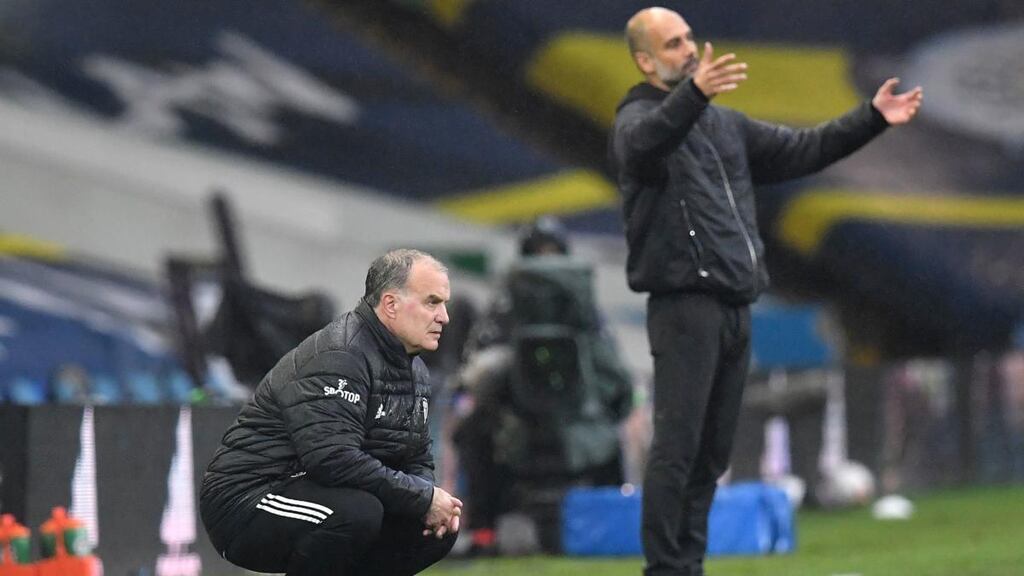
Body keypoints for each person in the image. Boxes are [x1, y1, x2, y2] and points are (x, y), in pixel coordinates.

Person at [609, 7, 923, 576]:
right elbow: (644, 146)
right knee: (677, 448)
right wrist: (694, 95)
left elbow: (803, 148)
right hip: (684, 306)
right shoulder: (637, 117)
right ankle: (664, 569)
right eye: (672, 43)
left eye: (687, 38)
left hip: (734, 304)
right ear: (645, 60)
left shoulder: (723, 125)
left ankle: (689, 563)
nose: (687, 48)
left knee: (710, 453)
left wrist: (871, 118)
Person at [199, 249, 463, 576]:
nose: (444, 317)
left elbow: (416, 458)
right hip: (247, 501)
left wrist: (426, 501)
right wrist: (421, 497)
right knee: (357, 513)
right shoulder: (340, 355)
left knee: (433, 528)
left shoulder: (415, 371)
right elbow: (332, 458)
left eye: (444, 304)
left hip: (321, 492)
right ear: (391, 305)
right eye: (432, 302)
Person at [451, 216, 633, 554]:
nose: (546, 263)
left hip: (577, 424)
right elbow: (478, 373)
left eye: (552, 253)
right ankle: (484, 533)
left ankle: (614, 524)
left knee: (614, 438)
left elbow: (614, 379)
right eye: (539, 253)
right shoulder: (508, 310)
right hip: (521, 425)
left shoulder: (584, 315)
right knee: (472, 432)